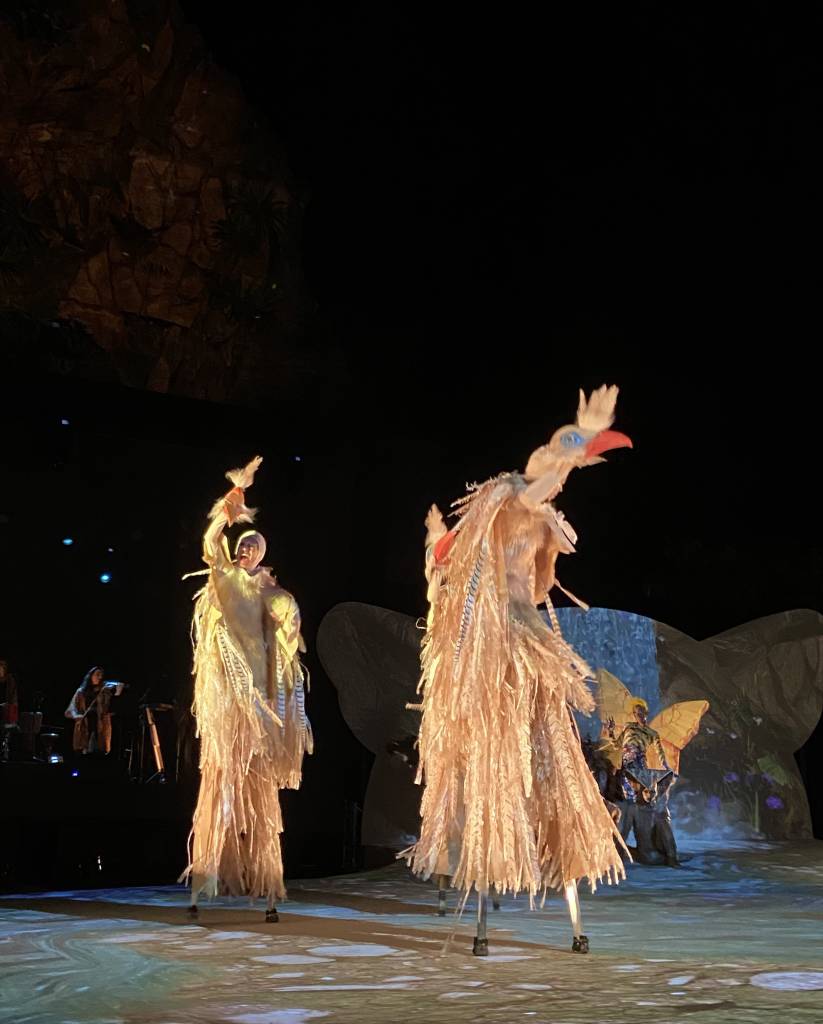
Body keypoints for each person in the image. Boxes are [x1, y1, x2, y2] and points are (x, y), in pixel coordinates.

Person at [407, 385, 632, 952]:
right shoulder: (501, 504)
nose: (557, 480)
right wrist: (576, 441)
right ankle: (487, 870)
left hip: (525, 643)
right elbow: (463, 559)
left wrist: (578, 448)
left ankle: (565, 869)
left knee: (551, 752)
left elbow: (538, 581)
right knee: (495, 758)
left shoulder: (541, 521)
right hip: (493, 647)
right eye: (559, 462)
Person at [180, 456, 312, 921]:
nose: (247, 552)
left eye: (255, 547)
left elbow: (288, 621)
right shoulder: (224, 573)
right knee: (220, 780)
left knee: (258, 788)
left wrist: (290, 619)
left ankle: (267, 885)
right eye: (244, 545)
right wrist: (231, 503)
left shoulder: (267, 592)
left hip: (258, 694)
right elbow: (210, 539)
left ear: (263, 554)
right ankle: (205, 878)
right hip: (228, 694)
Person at [65, 667, 124, 755]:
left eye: (101, 675)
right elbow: (70, 709)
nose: (100, 677)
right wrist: (76, 716)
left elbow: (112, 709)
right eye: (97, 674)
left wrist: (117, 694)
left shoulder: (105, 691)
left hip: (101, 727)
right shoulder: (81, 692)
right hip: (85, 726)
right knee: (83, 754)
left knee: (99, 754)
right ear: (90, 676)